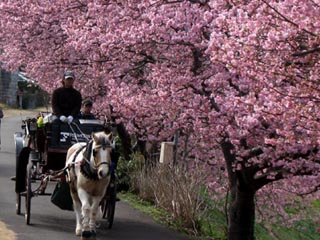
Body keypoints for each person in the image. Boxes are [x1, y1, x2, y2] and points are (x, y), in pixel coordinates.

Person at [50, 71, 82, 147]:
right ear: (63, 80)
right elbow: (54, 105)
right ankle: (55, 145)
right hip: (59, 116)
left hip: (72, 117)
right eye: (68, 79)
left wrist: (72, 116)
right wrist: (60, 116)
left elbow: (77, 106)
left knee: (77, 125)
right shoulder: (57, 92)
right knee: (55, 124)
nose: (69, 81)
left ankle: (74, 144)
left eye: (71, 79)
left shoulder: (77, 94)